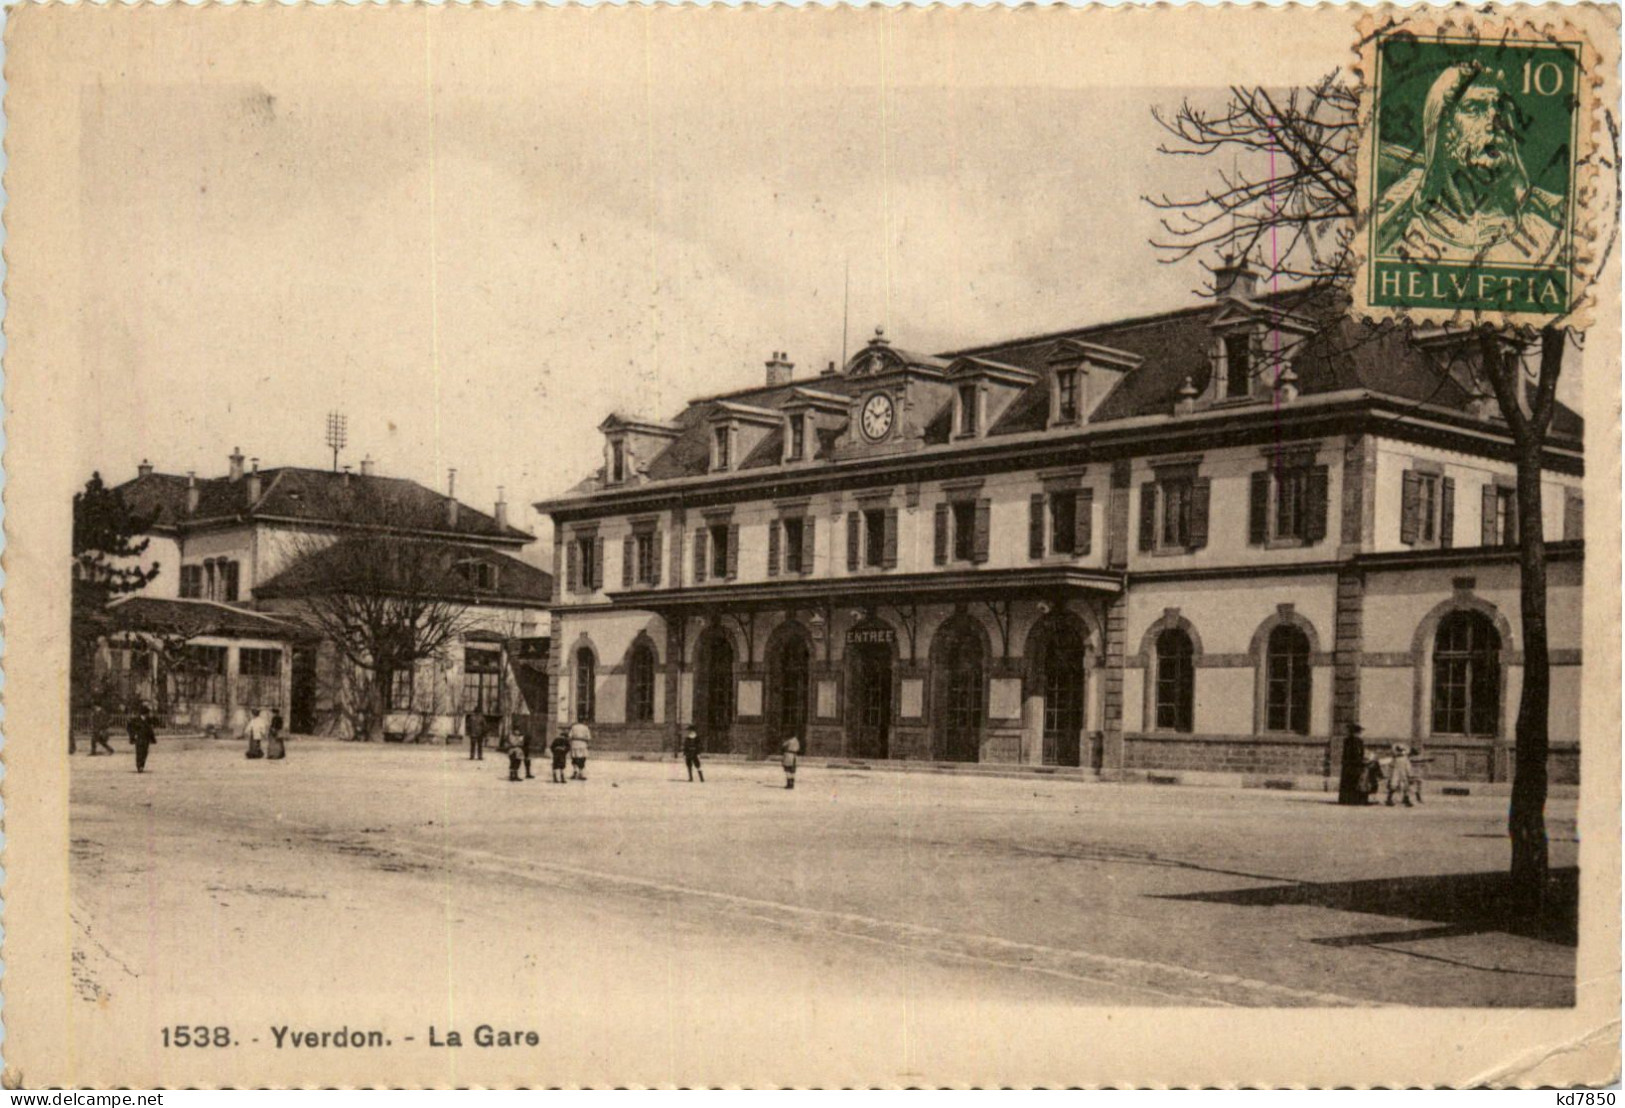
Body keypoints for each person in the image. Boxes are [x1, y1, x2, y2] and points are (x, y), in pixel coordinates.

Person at [1375, 62, 1564, 265]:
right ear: (1442, 128)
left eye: (1500, 108)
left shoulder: (1550, 239)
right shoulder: (1390, 235)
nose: (1495, 121)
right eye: (1475, 108)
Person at [1336, 722, 1368, 806]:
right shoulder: (1357, 741)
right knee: (1355, 781)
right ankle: (1355, 800)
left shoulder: (1347, 741)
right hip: (1354, 765)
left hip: (1348, 765)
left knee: (1348, 782)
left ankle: (1347, 799)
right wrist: (1361, 761)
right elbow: (1357, 754)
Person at [126, 702, 156, 773]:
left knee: (145, 752)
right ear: (144, 713)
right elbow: (129, 727)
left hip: (146, 738)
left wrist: (152, 738)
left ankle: (142, 765)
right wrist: (133, 735)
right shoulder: (136, 720)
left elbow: (150, 729)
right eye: (147, 713)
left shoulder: (148, 720)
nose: (148, 715)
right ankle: (139, 766)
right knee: (139, 752)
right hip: (139, 738)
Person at [1385, 743, 1414, 808]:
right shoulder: (1396, 759)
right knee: (1393, 786)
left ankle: (1405, 799)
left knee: (1405, 787)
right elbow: (1391, 767)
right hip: (1396, 774)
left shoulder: (1404, 759)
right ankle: (1389, 799)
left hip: (1402, 774)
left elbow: (1408, 767)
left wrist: (1410, 775)